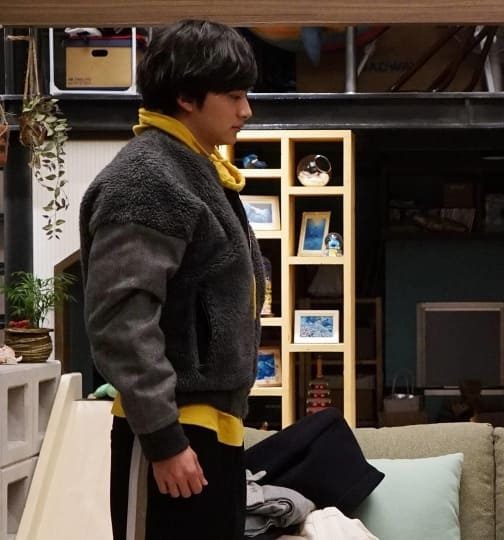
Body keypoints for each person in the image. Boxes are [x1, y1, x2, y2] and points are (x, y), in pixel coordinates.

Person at [79, 20, 264, 540]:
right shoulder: (149, 177)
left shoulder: (190, 169)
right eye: (234, 96)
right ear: (186, 97)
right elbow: (120, 321)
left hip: (208, 428)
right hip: (175, 433)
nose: (246, 111)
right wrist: (164, 439)